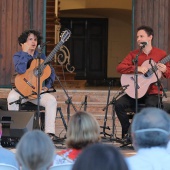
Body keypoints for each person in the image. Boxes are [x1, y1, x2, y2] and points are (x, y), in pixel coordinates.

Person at [115, 25, 170, 139]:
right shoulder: (134, 54)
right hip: (136, 90)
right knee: (119, 104)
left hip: (153, 92)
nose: (138, 39)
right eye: (137, 37)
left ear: (150, 37)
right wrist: (137, 68)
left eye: (141, 36)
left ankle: (147, 136)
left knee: (150, 106)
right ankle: (128, 133)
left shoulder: (161, 54)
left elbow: (168, 73)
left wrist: (165, 70)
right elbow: (120, 68)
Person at [7, 29, 58, 140]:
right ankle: (14, 133)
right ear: (23, 43)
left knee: (51, 100)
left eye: (35, 39)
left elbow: (51, 72)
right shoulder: (18, 56)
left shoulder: (41, 57)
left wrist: (48, 86)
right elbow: (20, 70)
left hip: (36, 92)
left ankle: (49, 133)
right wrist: (25, 53)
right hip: (20, 91)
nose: (33, 42)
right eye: (30, 39)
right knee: (11, 98)